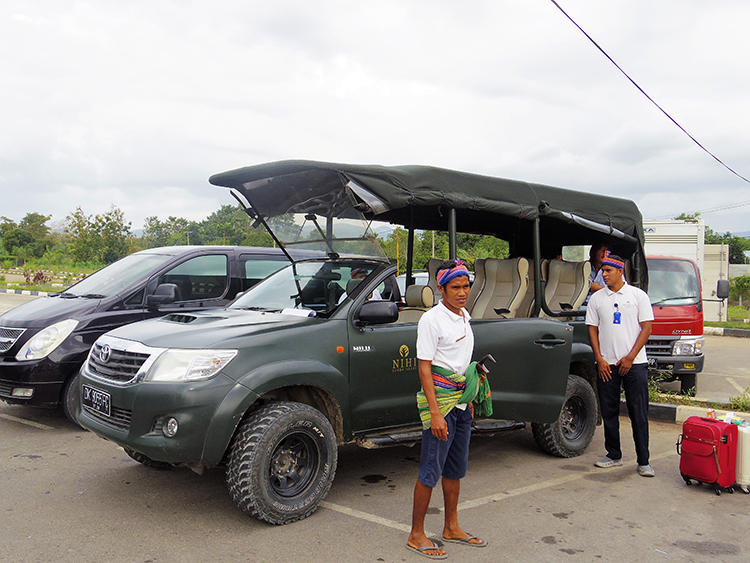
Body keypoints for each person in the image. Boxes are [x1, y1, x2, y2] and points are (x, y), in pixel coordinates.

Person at [407, 259, 492, 559]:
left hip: (461, 404)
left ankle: (451, 527)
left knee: (455, 470)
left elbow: (459, 362)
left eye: (466, 286)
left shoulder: (464, 317)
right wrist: (435, 413)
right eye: (455, 287)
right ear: (441, 288)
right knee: (431, 469)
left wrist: (468, 396)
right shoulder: (432, 320)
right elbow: (425, 368)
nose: (462, 292)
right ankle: (416, 534)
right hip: (441, 406)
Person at [586, 252, 655, 477]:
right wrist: (600, 358)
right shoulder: (597, 299)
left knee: (638, 411)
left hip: (635, 364)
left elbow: (646, 327)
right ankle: (613, 454)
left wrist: (630, 357)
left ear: (620, 271)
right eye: (602, 271)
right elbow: (592, 329)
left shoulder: (638, 296)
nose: (603, 275)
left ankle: (644, 461)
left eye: (608, 271)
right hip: (608, 364)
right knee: (609, 410)